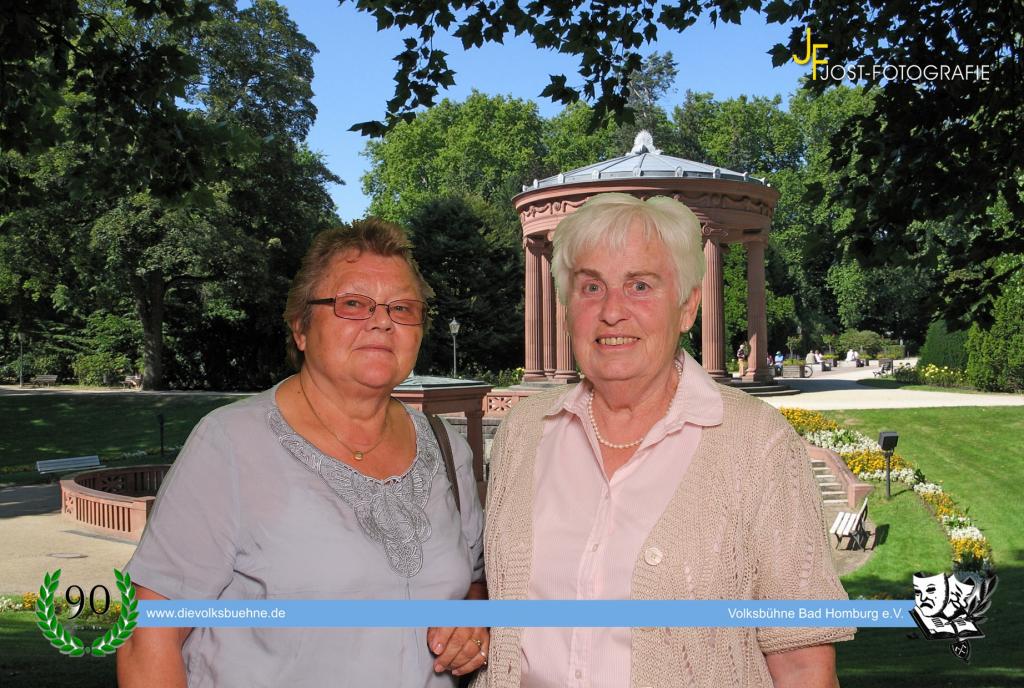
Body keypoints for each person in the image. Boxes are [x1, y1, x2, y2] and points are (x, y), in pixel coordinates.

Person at [478, 193, 853, 688]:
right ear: (566, 308)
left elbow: (803, 662)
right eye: (591, 287)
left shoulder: (758, 445)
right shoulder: (523, 433)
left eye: (640, 285)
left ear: (687, 307)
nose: (613, 311)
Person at [118, 220, 487, 687]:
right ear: (301, 328)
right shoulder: (231, 443)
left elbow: (475, 583)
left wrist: (474, 625)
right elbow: (148, 638)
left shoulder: (446, 448)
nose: (382, 321)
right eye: (353, 304)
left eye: (402, 307)